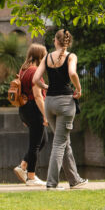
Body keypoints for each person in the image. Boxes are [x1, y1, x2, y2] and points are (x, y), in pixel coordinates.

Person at [31, 29, 87, 190]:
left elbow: (36, 79)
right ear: (68, 42)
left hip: (49, 103)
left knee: (63, 142)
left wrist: (46, 86)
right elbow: (72, 73)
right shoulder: (71, 56)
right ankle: (51, 183)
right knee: (59, 143)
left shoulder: (47, 57)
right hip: (65, 103)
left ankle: (74, 179)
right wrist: (79, 89)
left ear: (55, 41)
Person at [12, 43, 48, 186]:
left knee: (43, 140)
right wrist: (45, 115)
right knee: (34, 144)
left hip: (25, 108)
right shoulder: (34, 71)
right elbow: (38, 96)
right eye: (44, 56)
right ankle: (31, 177)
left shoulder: (23, 69)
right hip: (34, 108)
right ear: (40, 56)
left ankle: (22, 167)